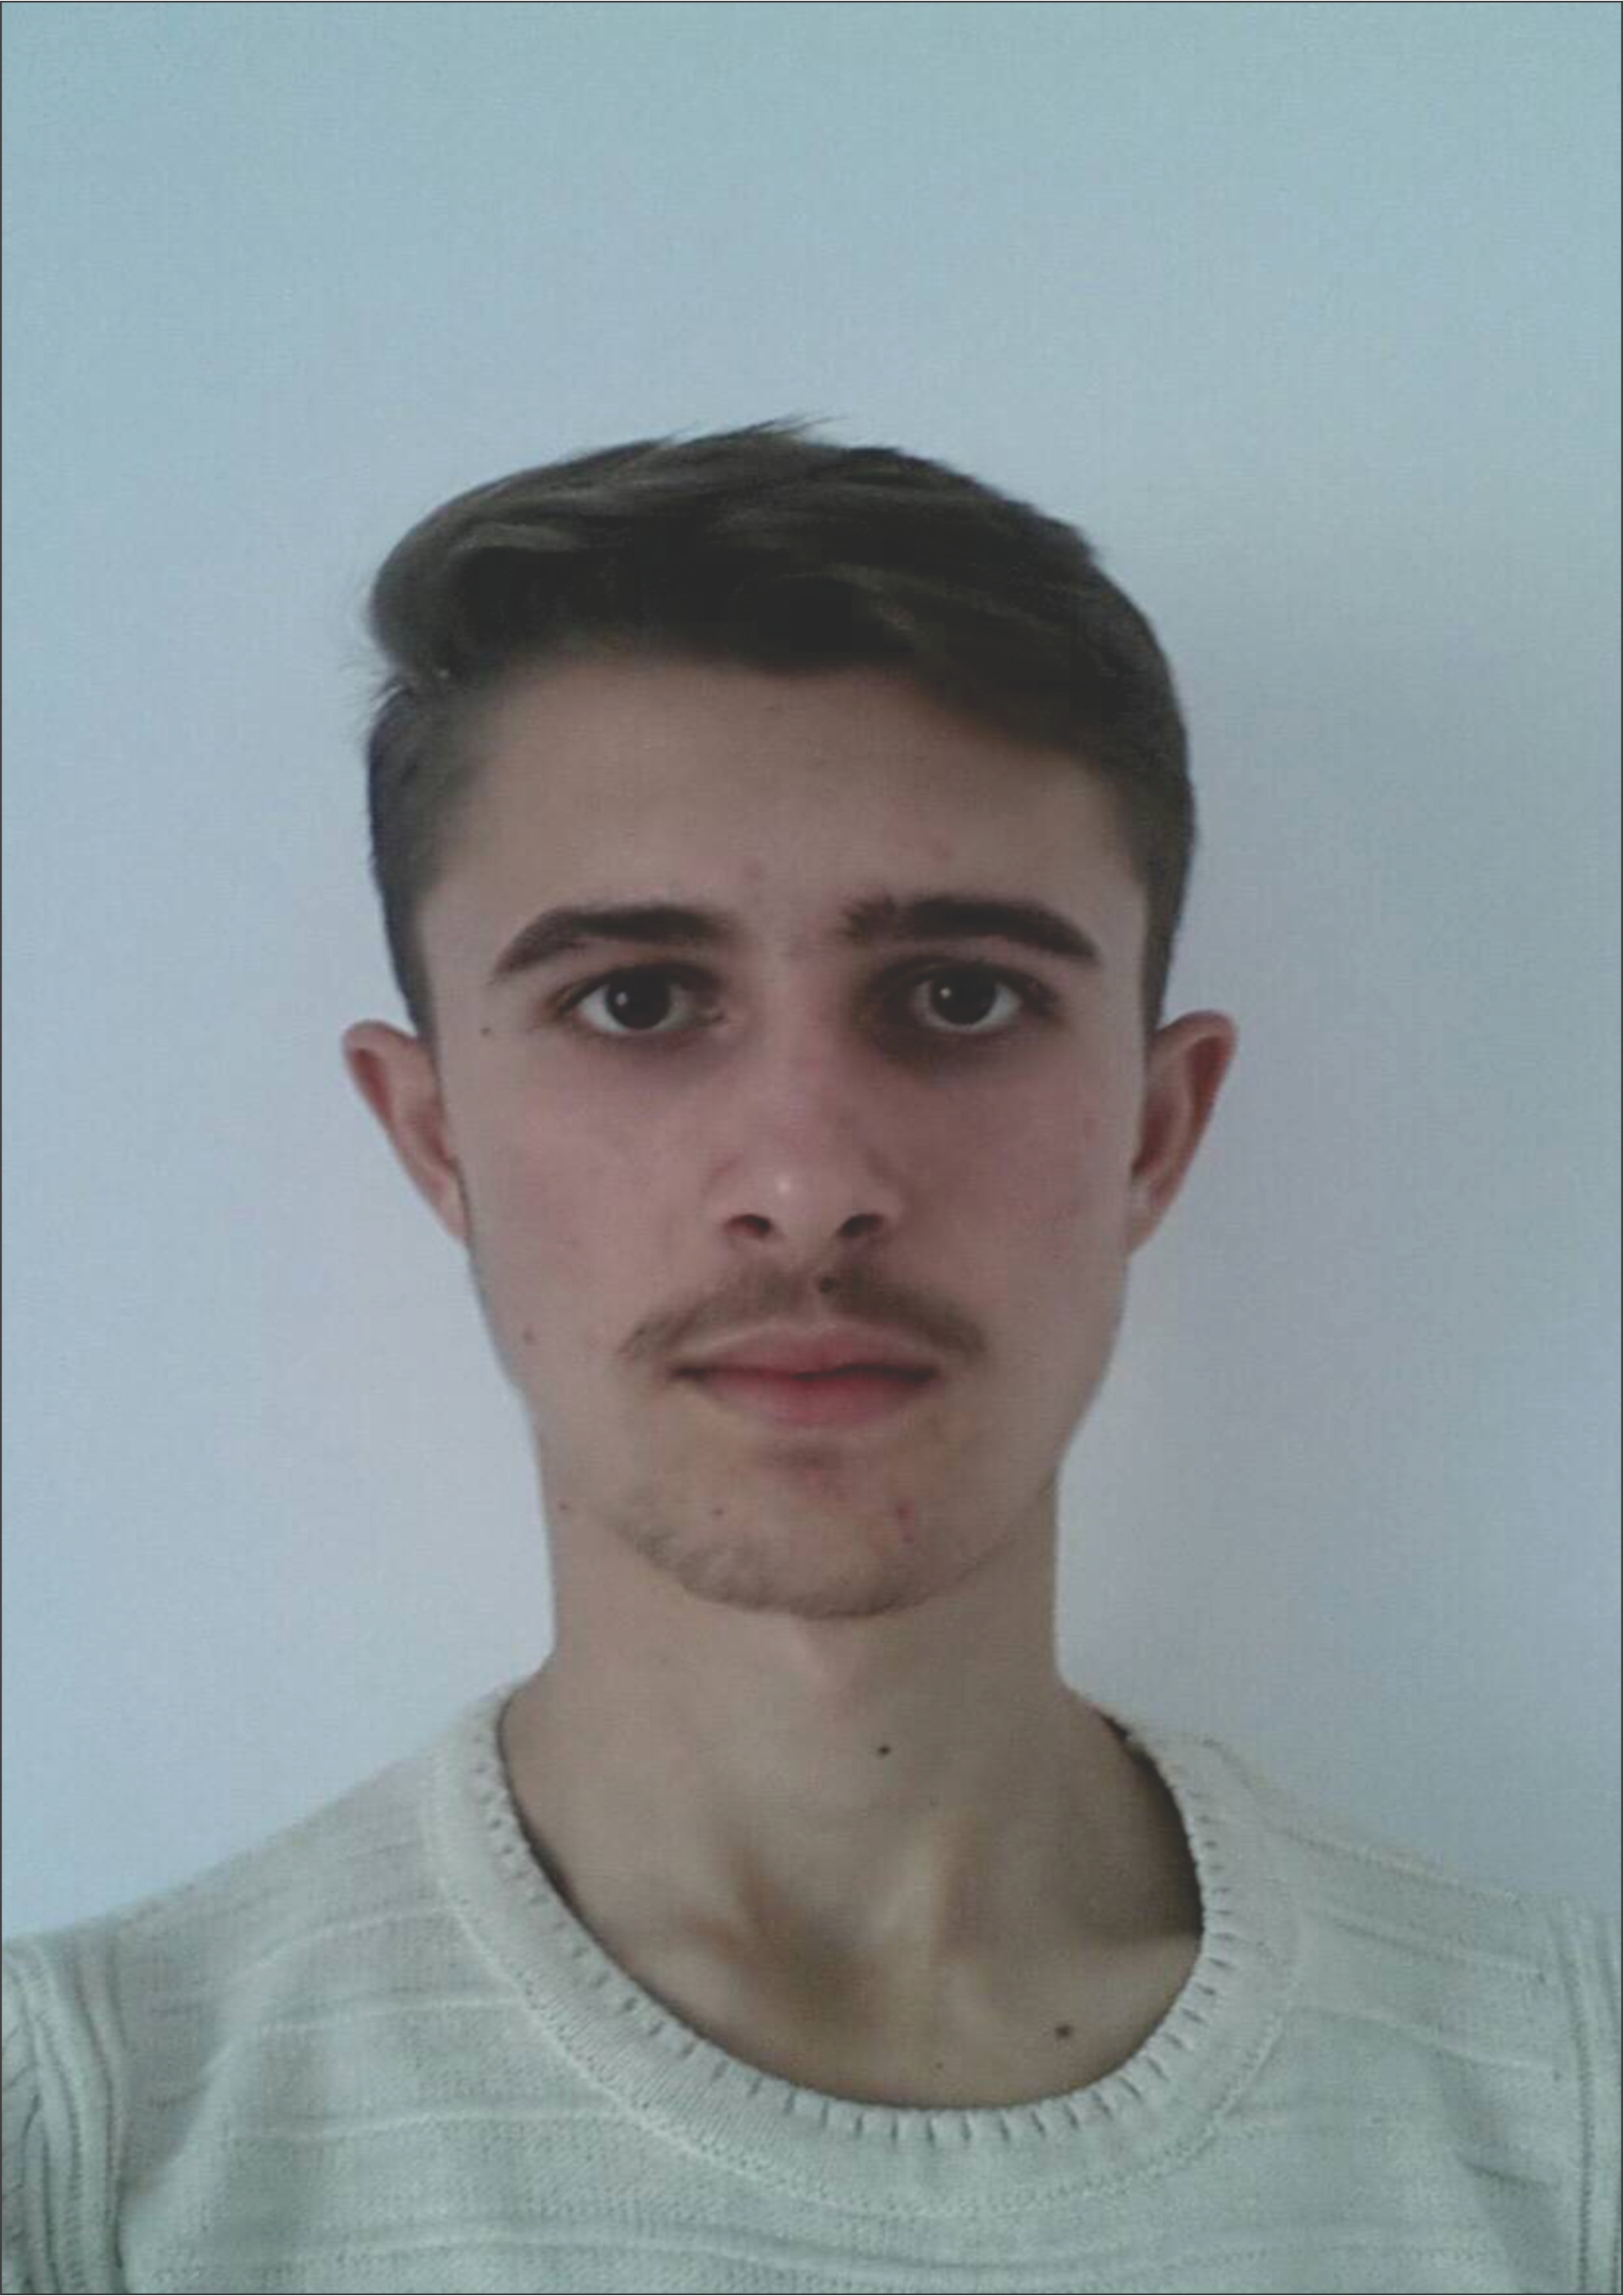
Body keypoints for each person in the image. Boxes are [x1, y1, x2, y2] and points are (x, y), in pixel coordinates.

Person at [3, 421, 1616, 2294]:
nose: (808, 1182)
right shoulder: (84, 2157)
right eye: (634, 999)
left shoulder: (1565, 2119)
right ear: (433, 1135)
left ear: (1154, 1130)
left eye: (959, 995)